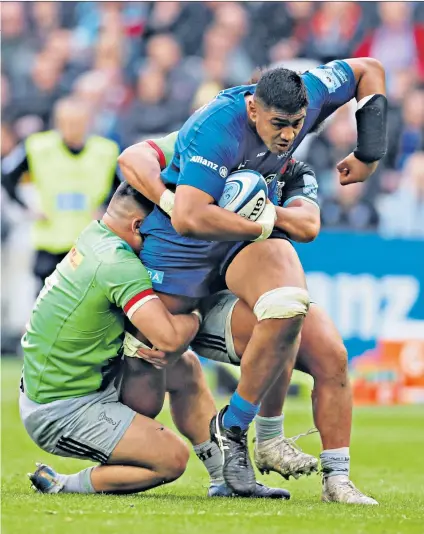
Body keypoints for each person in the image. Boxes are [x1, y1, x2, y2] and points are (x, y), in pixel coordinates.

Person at [118, 57, 387, 497]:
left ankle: (326, 473)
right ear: (252, 108)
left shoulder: (306, 111)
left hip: (234, 256)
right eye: (279, 124)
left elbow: (368, 70)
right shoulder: (213, 128)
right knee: (151, 376)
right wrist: (259, 222)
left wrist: (369, 153)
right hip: (180, 262)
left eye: (297, 125)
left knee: (322, 345)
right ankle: (88, 431)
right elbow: (179, 207)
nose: (288, 136)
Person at [24, 181, 288, 499]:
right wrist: (197, 310)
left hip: (82, 380)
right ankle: (64, 485)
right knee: (170, 459)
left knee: (185, 367)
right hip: (61, 409)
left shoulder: (96, 236)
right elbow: (169, 338)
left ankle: (226, 480)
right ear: (138, 225)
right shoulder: (118, 265)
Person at [1, 97, 122, 294]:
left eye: (77, 122)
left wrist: (106, 208)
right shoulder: (38, 147)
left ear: (88, 123)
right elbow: (7, 177)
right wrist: (26, 207)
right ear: (57, 123)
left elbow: (122, 188)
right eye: (66, 122)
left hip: (88, 240)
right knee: (46, 298)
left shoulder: (106, 150)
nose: (72, 128)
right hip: (51, 239)